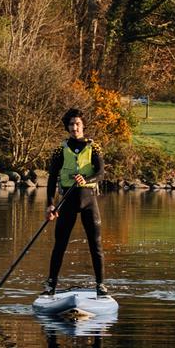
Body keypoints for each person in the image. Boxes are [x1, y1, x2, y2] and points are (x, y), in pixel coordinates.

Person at [44, 107, 109, 298]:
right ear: (67, 127)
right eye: (71, 124)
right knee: (60, 245)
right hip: (67, 201)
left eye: (78, 124)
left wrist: (86, 180)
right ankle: (51, 286)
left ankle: (101, 286)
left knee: (95, 246)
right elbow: (51, 178)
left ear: (83, 125)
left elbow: (101, 173)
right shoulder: (59, 150)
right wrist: (50, 204)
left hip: (89, 200)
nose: (75, 127)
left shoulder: (94, 148)